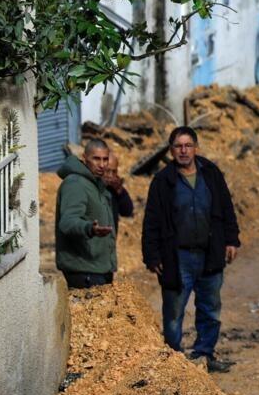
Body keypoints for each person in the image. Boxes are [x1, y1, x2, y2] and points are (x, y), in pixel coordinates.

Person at [142, 126, 240, 373]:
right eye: (178, 146)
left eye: (188, 145)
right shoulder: (163, 181)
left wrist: (232, 240)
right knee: (174, 311)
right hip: (177, 256)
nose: (183, 150)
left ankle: (204, 355)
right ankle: (174, 362)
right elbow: (151, 221)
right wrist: (152, 256)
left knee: (210, 307)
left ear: (196, 147)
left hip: (210, 253)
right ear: (171, 150)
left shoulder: (211, 173)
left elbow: (227, 208)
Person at [55, 139, 117, 289]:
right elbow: (68, 222)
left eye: (105, 159)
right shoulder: (76, 183)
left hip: (97, 269)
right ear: (84, 158)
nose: (102, 165)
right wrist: (90, 228)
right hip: (84, 271)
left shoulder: (95, 185)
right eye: (96, 159)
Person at [103, 151, 134, 234]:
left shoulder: (115, 189)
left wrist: (120, 191)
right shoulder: (91, 187)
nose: (110, 175)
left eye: (114, 172)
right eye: (107, 171)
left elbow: (127, 211)